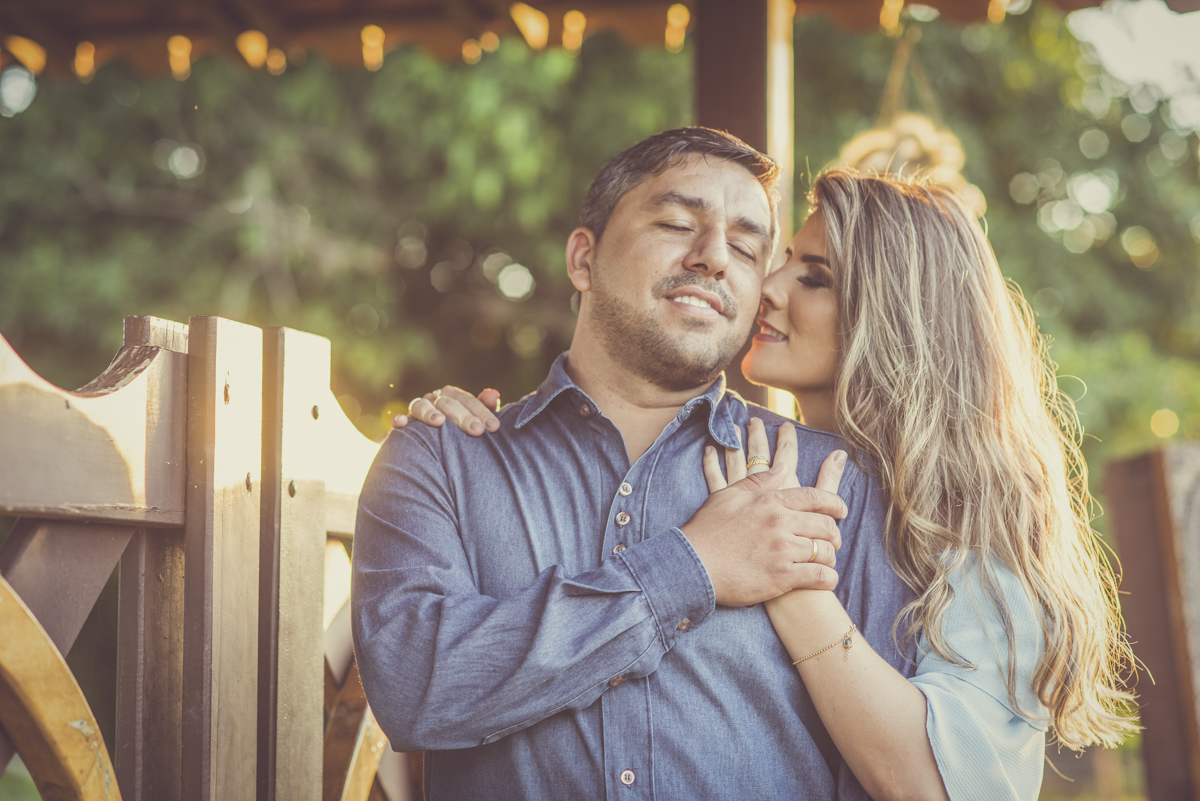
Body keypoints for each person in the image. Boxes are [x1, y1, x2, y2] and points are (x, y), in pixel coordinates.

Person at [396, 168, 1138, 799]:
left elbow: (931, 783)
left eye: (812, 276)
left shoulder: (969, 527)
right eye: (778, 260)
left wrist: (792, 583)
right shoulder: (755, 464)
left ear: (896, 317)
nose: (766, 286)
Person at [352, 128, 918, 801]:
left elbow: (891, 768)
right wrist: (691, 567)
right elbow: (414, 687)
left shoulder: (837, 482)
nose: (713, 257)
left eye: (745, 247)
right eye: (679, 222)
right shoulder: (440, 457)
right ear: (584, 258)